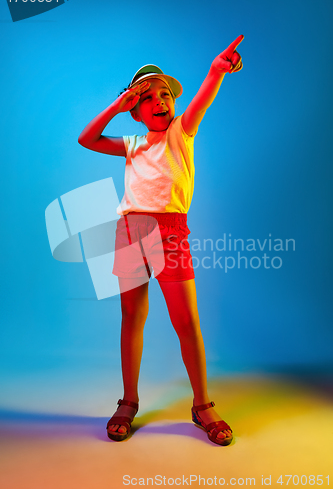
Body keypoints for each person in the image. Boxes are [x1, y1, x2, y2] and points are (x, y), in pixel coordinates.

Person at [78, 36, 244, 446]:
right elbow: (87, 138)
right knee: (132, 317)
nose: (159, 101)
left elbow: (202, 99)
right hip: (130, 232)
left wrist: (216, 70)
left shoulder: (181, 133)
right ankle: (129, 400)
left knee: (186, 321)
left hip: (171, 233)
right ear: (135, 112)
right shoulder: (133, 144)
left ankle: (202, 404)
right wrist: (115, 106)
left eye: (165, 94)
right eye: (148, 97)